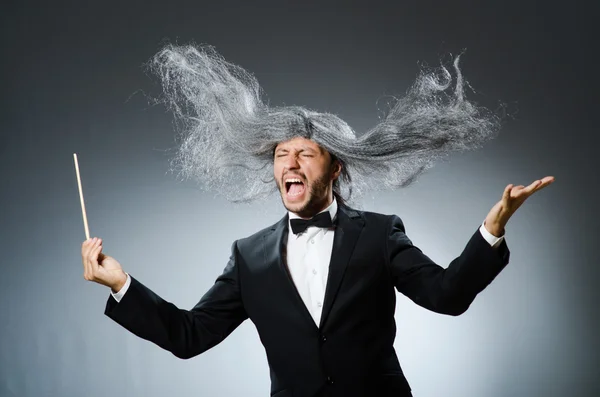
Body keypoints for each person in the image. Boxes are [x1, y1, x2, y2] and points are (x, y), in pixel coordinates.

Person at [80, 45, 554, 397]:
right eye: (282, 155)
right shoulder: (248, 256)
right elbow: (189, 336)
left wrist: (490, 232)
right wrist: (121, 284)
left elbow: (447, 297)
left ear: (335, 168)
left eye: (306, 154)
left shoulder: (379, 233)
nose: (290, 163)